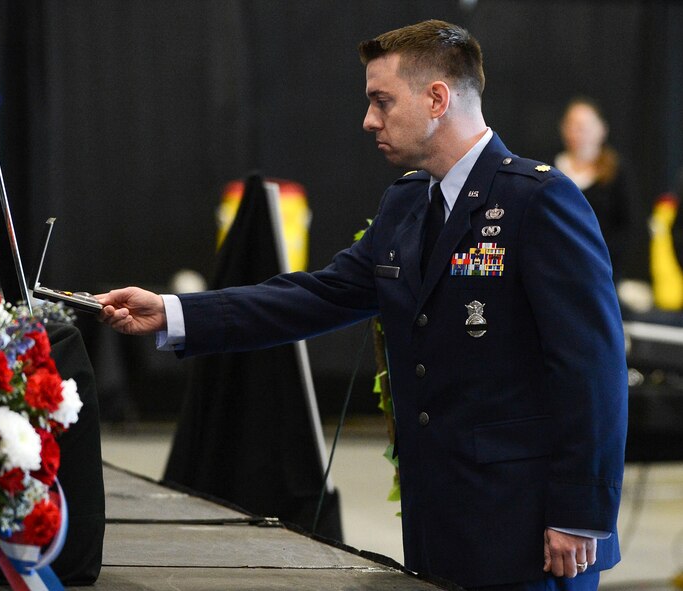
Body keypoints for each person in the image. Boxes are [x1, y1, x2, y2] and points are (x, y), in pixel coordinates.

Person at [97, 20, 627, 591]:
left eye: (381, 101)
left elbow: (592, 369)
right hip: (438, 520)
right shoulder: (405, 204)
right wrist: (176, 313)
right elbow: (316, 296)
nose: (369, 120)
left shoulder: (538, 201)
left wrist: (580, 513)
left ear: (437, 99)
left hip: (532, 531)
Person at [555, 97, 641, 280]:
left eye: (584, 127)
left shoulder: (617, 172)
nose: (578, 133)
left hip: (601, 270)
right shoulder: (550, 171)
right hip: (557, 268)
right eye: (572, 126)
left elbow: (627, 226)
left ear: (601, 129)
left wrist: (600, 260)